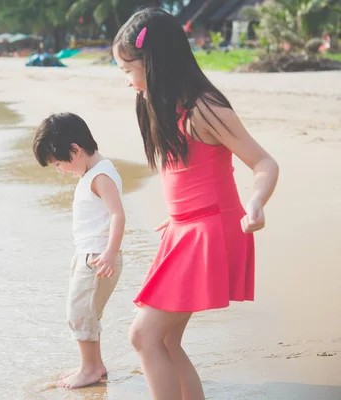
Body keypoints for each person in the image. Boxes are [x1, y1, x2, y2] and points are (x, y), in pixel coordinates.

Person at [112, 8, 279, 400]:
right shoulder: (157, 104)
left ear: (153, 61)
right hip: (184, 231)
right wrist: (176, 219)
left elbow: (264, 162)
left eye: (127, 70)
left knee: (142, 335)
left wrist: (256, 202)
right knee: (165, 341)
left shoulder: (204, 108)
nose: (127, 81)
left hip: (211, 231)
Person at [32, 112, 125, 389]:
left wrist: (109, 252)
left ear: (75, 150)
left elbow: (118, 215)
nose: (60, 169)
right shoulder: (93, 173)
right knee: (86, 313)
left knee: (79, 313)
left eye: (59, 163)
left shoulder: (100, 176)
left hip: (97, 256)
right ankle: (94, 364)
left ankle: (89, 368)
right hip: (89, 254)